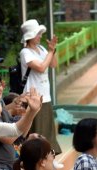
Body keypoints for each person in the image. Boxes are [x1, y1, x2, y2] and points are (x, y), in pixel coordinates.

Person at [19, 19, 61, 155]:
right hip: (33, 97)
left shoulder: (42, 49)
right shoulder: (25, 52)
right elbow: (42, 67)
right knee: (37, 130)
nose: (40, 36)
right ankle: (39, 158)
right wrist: (50, 52)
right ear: (30, 36)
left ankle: (50, 156)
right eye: (38, 33)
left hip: (45, 95)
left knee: (48, 129)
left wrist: (52, 51)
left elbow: (53, 64)